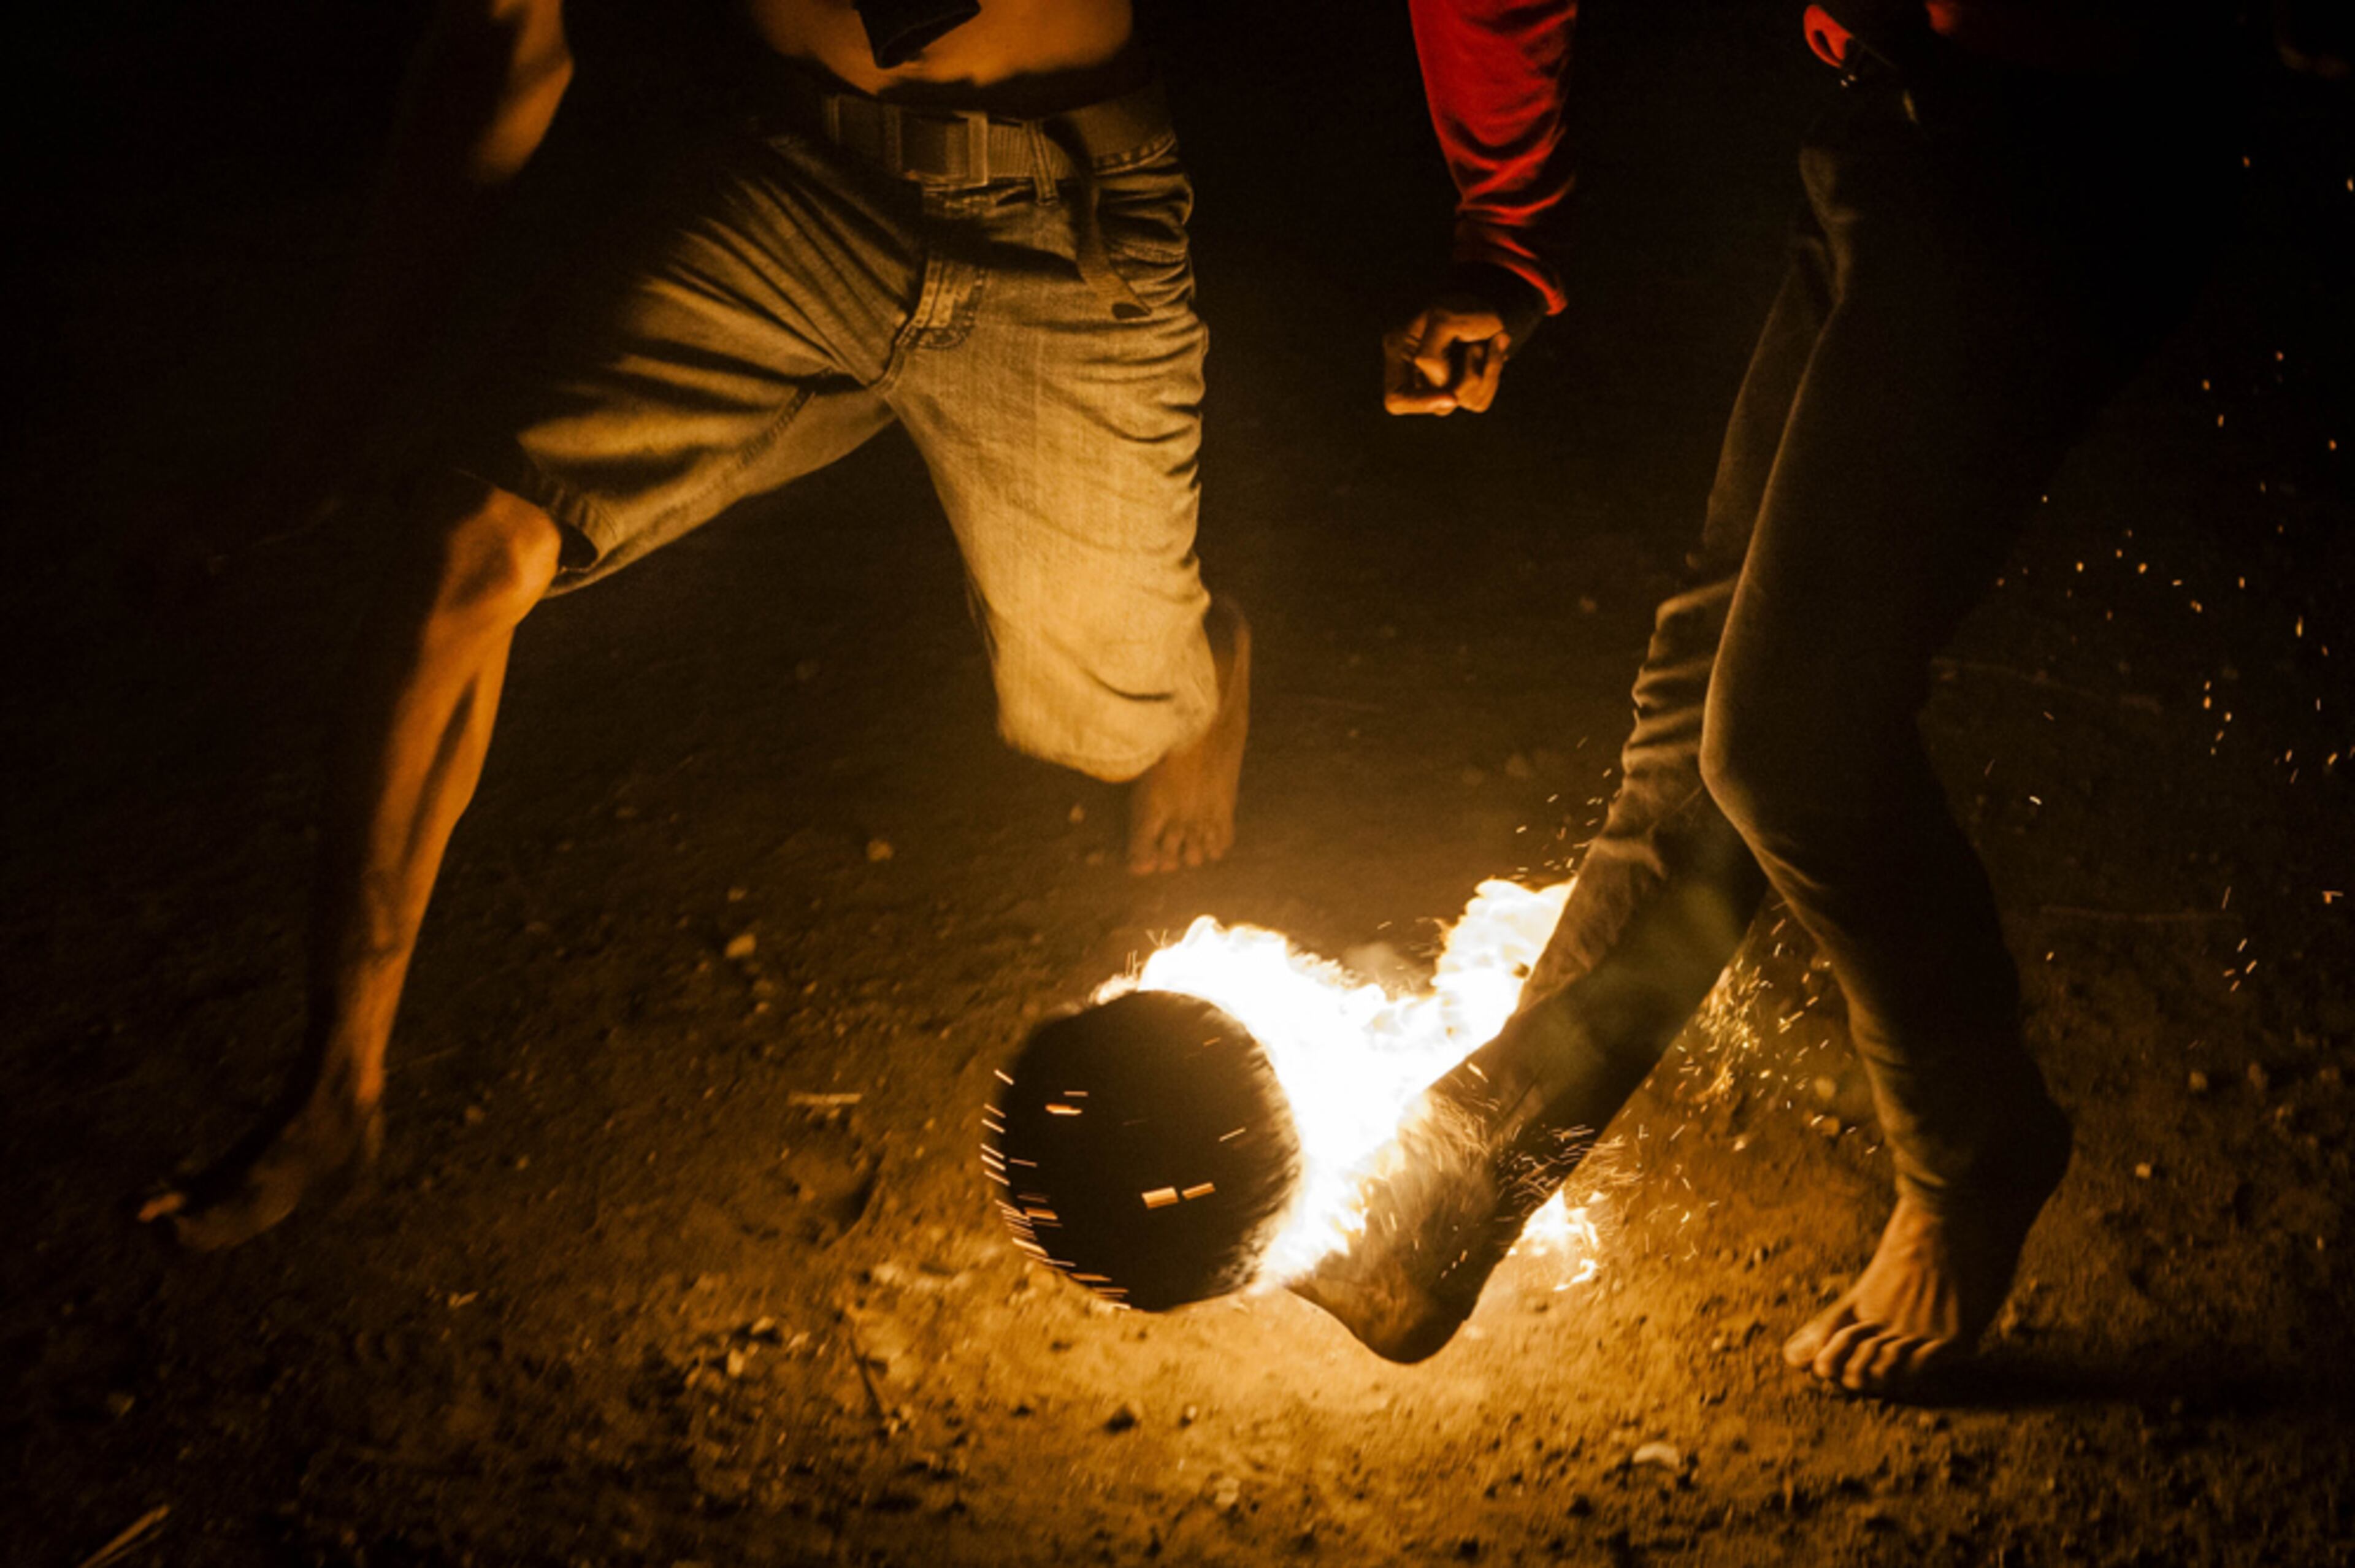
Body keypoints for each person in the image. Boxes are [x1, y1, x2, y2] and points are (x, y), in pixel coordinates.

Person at [140, 0, 1250, 1251]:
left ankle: (1199, 648)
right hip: (799, 187)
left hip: (1065, 203)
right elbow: (499, 46)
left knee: (1109, 729)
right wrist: (328, 419)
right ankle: (338, 1087)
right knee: (471, 542)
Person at [1296, 0, 2251, 1396]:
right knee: (1706, 704)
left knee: (1791, 729)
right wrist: (1503, 240)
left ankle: (1972, 1157)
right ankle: (1466, 1171)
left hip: (2066, 141)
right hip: (1889, 124)